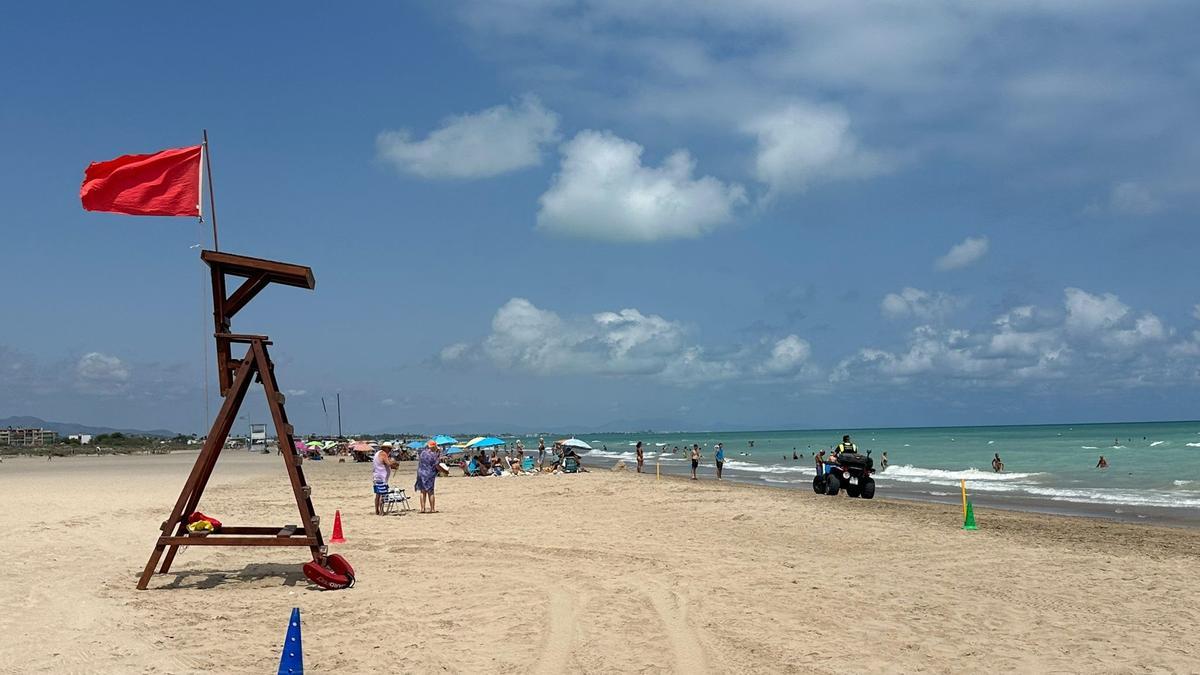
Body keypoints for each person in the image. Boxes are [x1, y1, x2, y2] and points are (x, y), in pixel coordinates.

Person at [373, 445, 399, 515]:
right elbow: (388, 463)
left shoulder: (378, 453)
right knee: (382, 494)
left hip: (377, 476)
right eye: (389, 448)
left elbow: (383, 464)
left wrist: (393, 466)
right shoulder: (383, 454)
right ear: (385, 448)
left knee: (378, 495)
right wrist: (395, 464)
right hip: (381, 477)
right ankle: (381, 511)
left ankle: (377, 511)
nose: (390, 450)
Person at [415, 440, 440, 513]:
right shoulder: (433, 454)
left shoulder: (422, 453)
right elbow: (437, 465)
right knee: (430, 492)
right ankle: (432, 509)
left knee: (422, 491)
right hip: (429, 474)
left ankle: (423, 508)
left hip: (420, 473)